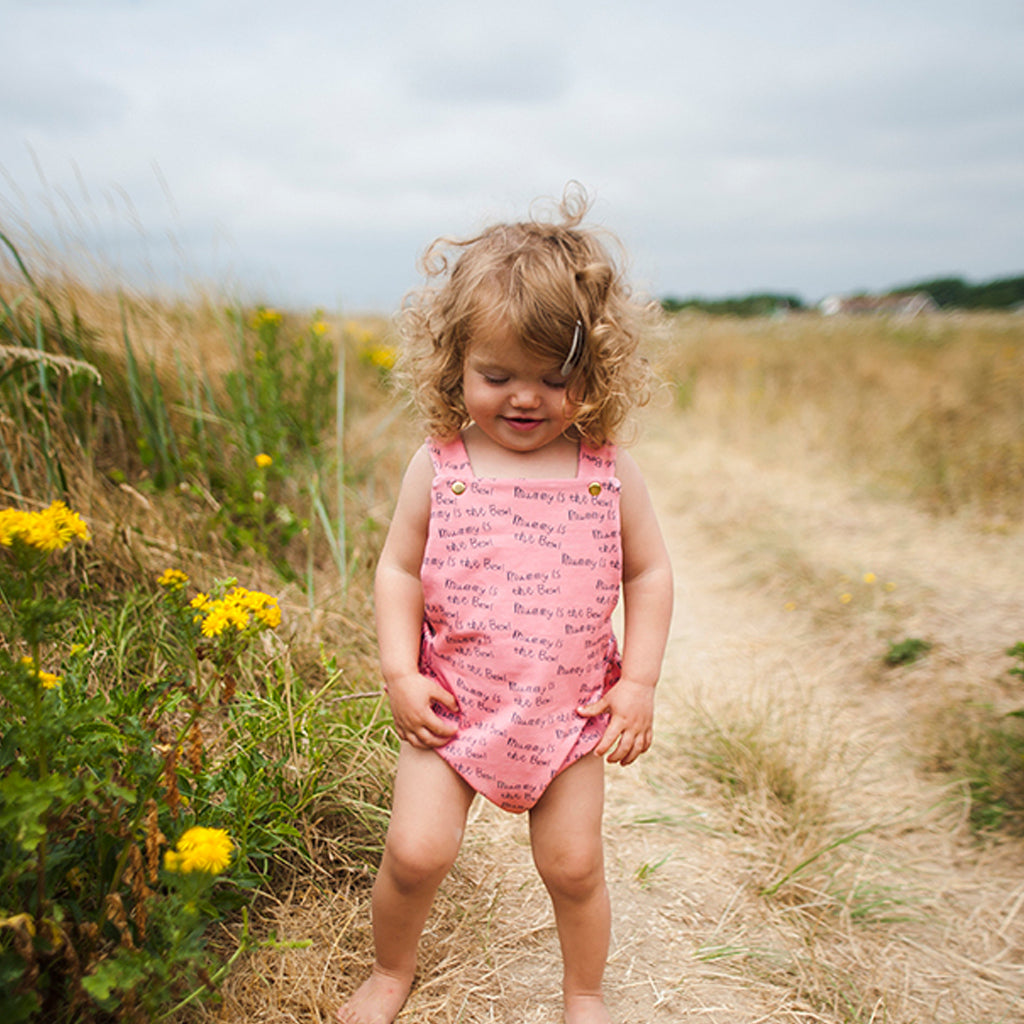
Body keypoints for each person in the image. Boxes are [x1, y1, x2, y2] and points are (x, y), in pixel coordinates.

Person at [338, 185, 673, 1024]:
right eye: (497, 376)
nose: (524, 398)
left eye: (553, 379)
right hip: (453, 705)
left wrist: (638, 682)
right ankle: (390, 972)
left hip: (565, 717)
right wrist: (397, 671)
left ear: (593, 375)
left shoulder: (605, 470)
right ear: (455, 364)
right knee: (414, 853)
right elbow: (397, 571)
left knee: (574, 869)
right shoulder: (442, 464)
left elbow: (651, 574)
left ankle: (584, 993)